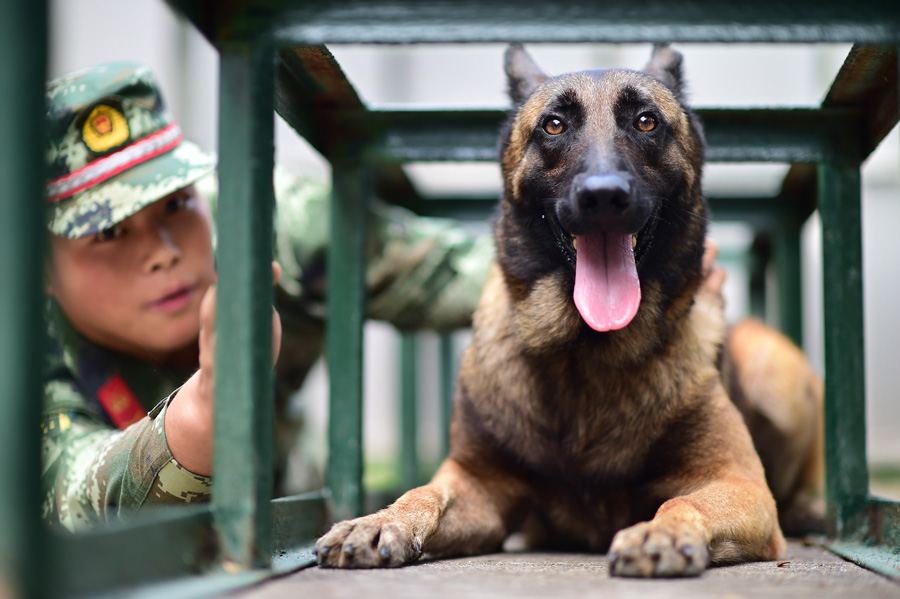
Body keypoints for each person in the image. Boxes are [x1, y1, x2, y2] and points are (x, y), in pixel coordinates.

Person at [41, 62, 493, 532]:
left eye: (175, 203)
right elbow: (72, 503)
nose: (162, 252)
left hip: (292, 490)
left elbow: (477, 275)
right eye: (109, 230)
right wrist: (210, 407)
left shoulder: (268, 220)